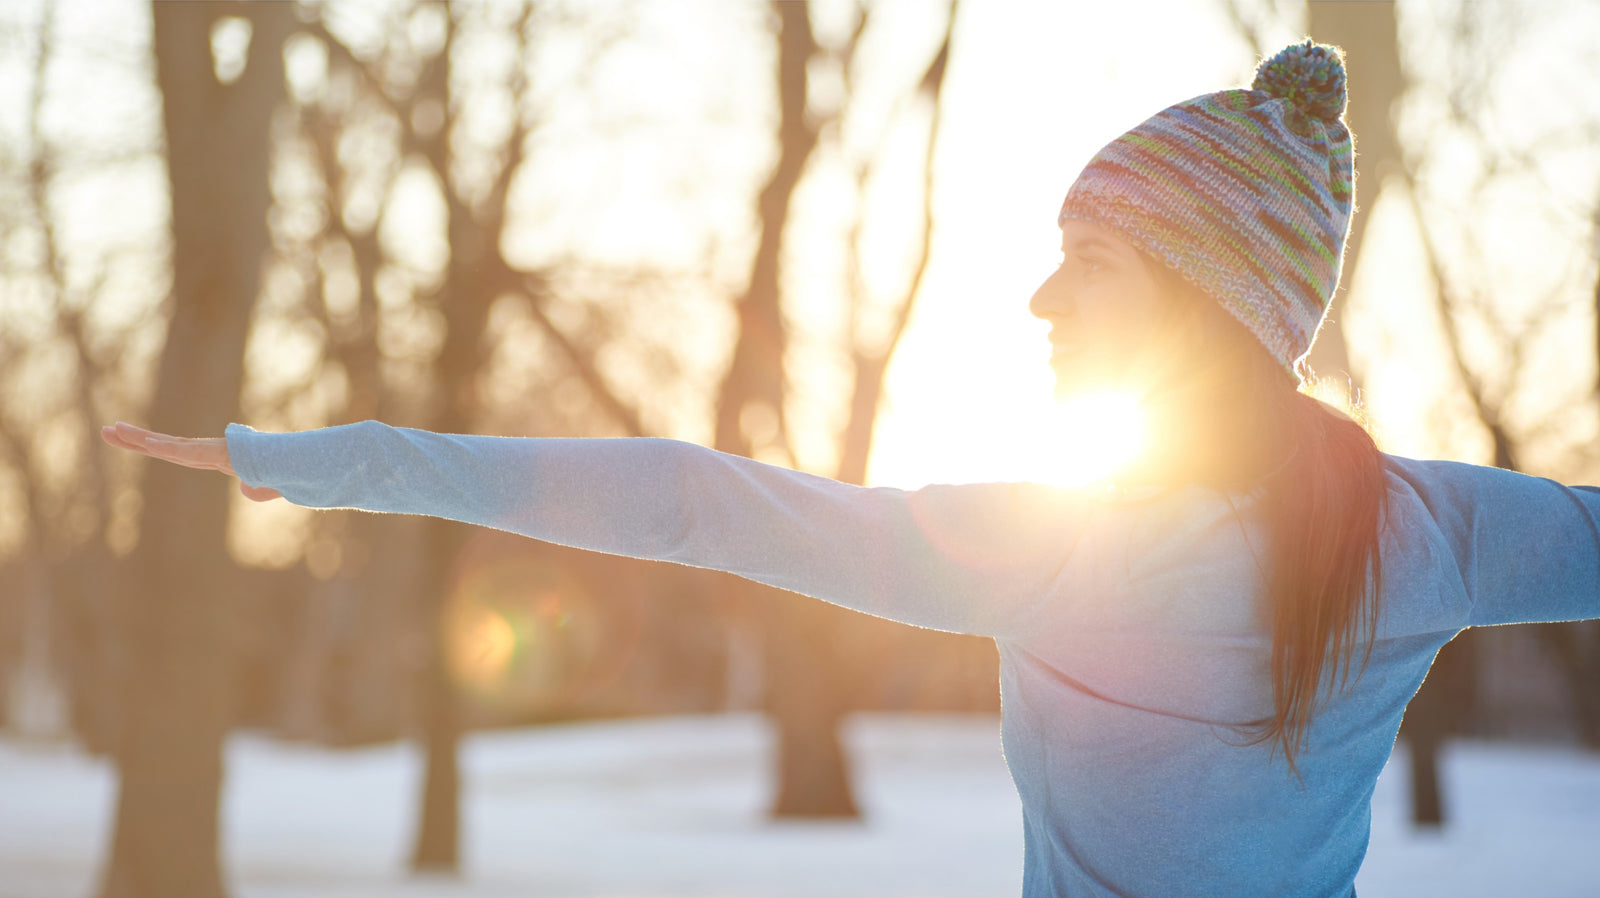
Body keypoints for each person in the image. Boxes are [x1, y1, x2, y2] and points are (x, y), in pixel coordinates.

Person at [102, 40, 1600, 898]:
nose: (1041, 299)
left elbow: (691, 500)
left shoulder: (1053, 550)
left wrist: (315, 461)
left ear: (1206, 299)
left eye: (1088, 260)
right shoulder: (1430, 531)